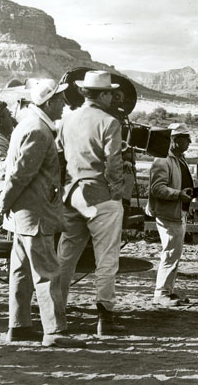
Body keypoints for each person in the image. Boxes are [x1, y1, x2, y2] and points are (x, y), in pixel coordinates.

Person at [0, 79, 85, 347]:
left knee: (20, 272)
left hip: (23, 216)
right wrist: (3, 202)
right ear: (49, 102)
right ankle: (54, 332)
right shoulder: (39, 131)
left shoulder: (28, 126)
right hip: (36, 214)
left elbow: (17, 173)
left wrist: (6, 205)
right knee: (47, 273)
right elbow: (20, 175)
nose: (64, 106)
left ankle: (18, 327)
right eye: (61, 101)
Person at [57, 70, 126, 335]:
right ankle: (104, 319)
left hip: (72, 195)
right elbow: (113, 163)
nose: (112, 97)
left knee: (65, 257)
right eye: (110, 93)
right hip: (101, 198)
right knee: (106, 258)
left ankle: (56, 312)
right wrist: (116, 191)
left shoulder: (67, 120)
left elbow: (59, 157)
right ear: (104, 94)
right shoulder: (109, 123)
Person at [146, 123, 195, 307]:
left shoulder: (178, 159)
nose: (189, 142)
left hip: (177, 212)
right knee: (170, 253)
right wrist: (178, 195)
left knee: (174, 253)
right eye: (185, 138)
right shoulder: (163, 160)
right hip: (168, 213)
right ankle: (161, 294)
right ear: (175, 140)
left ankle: (168, 291)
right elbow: (157, 188)